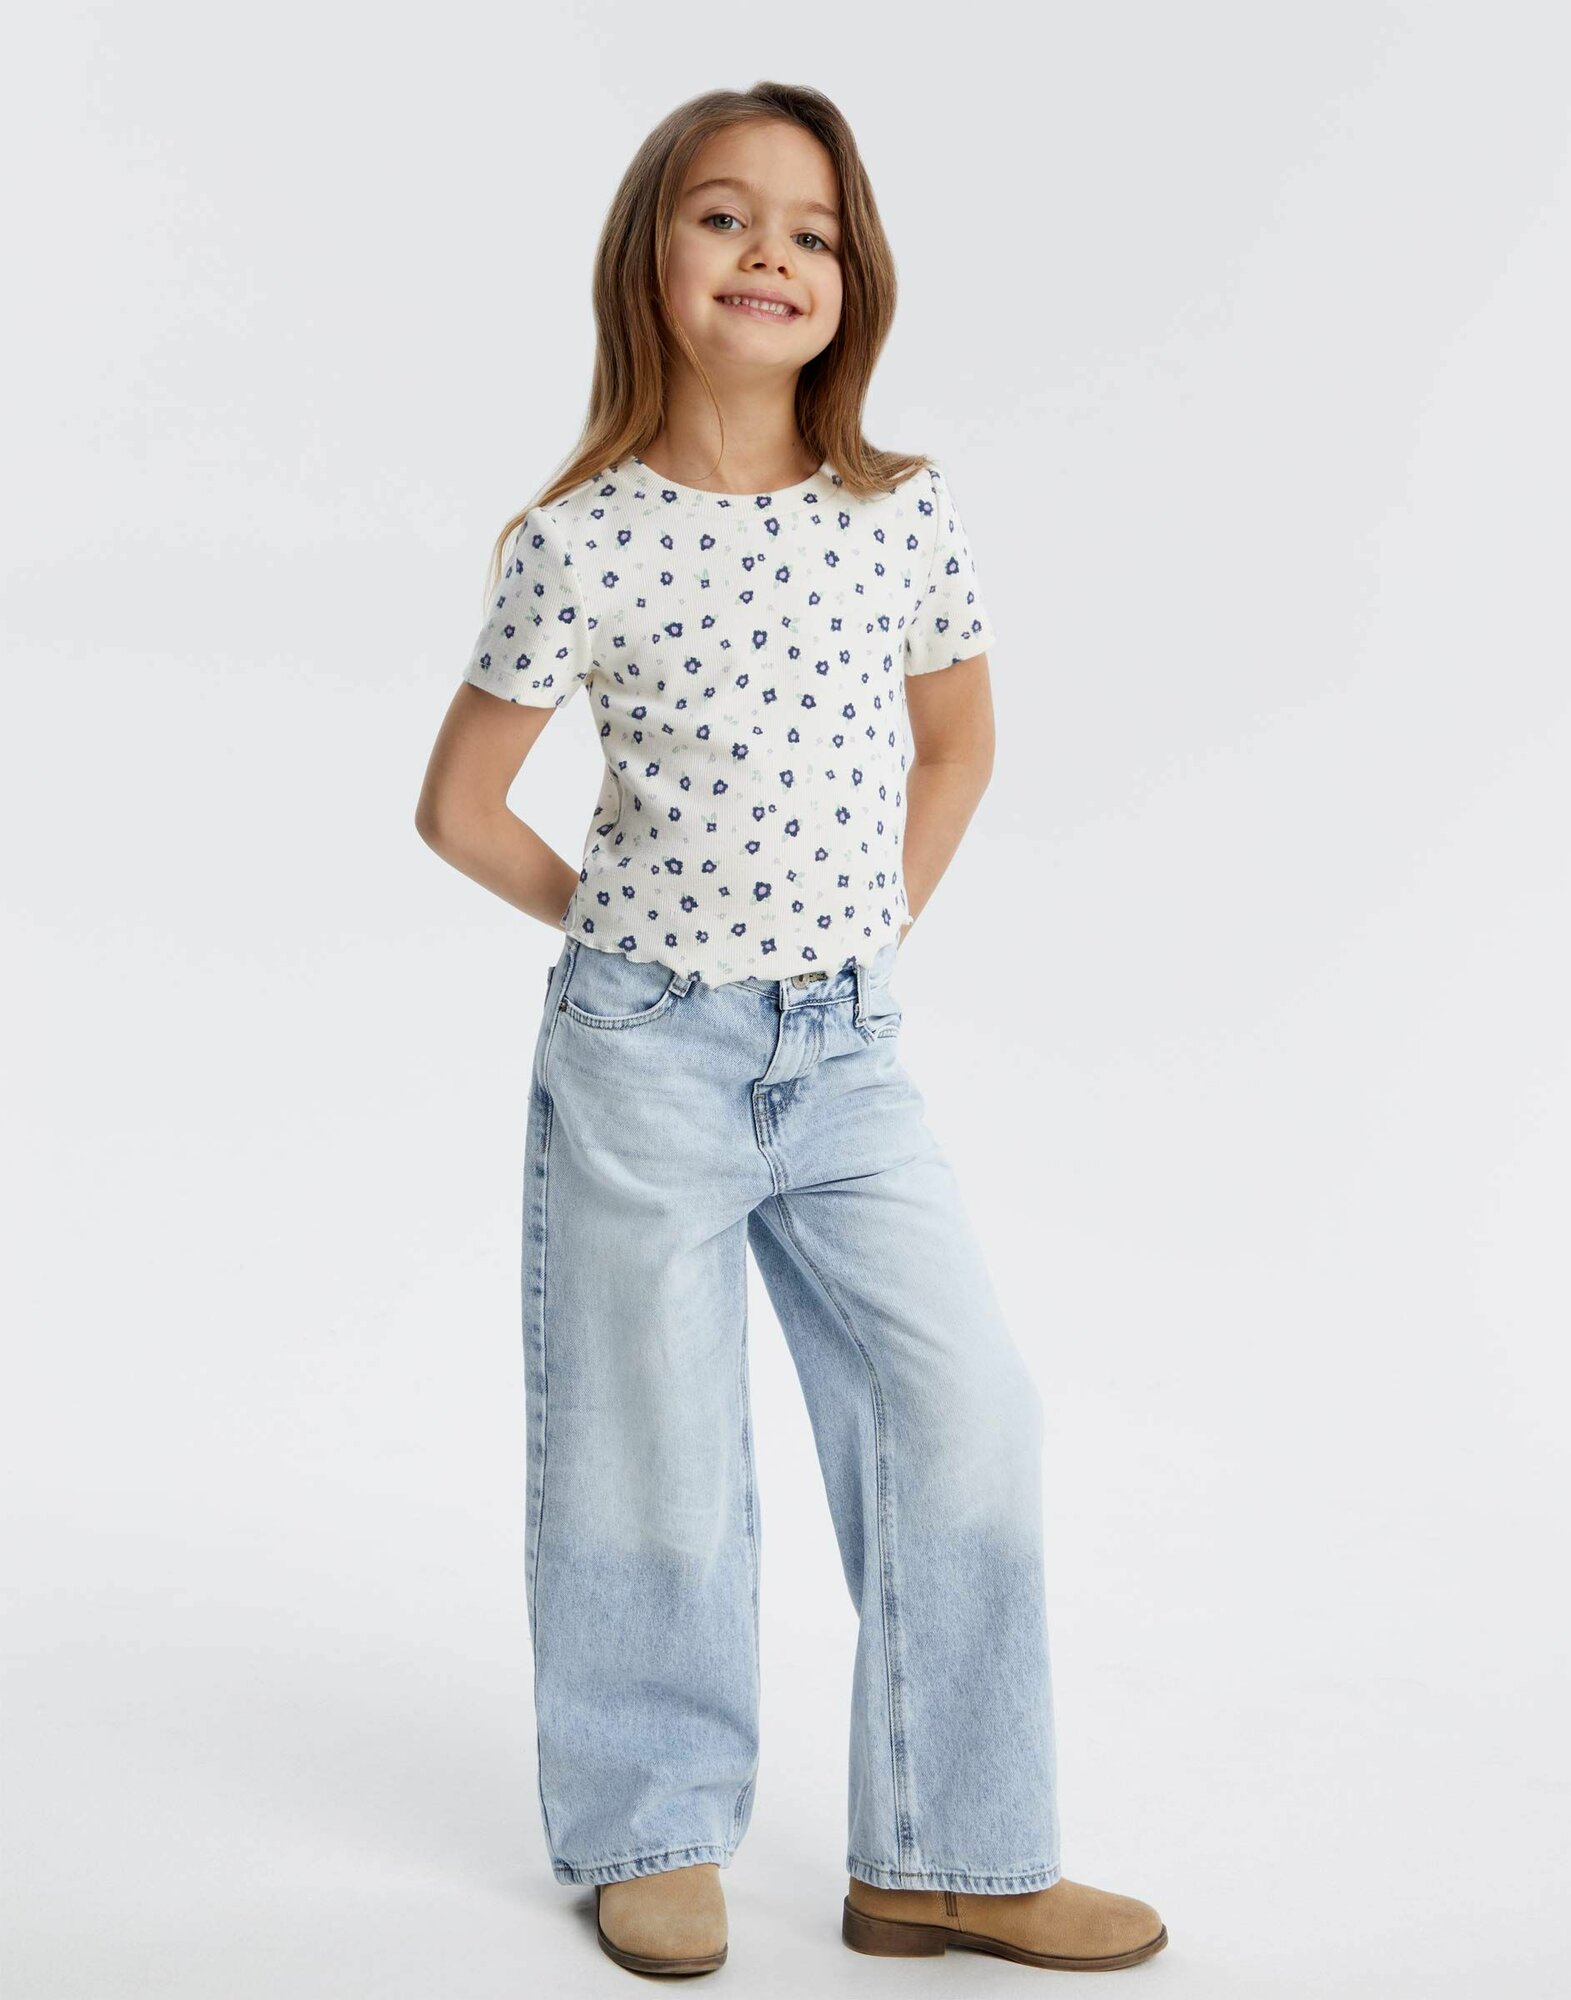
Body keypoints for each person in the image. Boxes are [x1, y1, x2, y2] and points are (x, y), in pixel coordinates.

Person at [416, 81, 1167, 1979]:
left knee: (965, 1410)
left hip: (846, 1061)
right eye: (725, 216)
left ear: (855, 278)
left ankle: (952, 1852)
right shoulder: (579, 540)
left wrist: (864, 926)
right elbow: (461, 809)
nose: (772, 254)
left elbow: (958, 743)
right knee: (649, 1453)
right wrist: (624, 937)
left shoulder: (899, 512)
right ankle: (653, 1826)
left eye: (813, 230)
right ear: (648, 259)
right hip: (645, 1058)